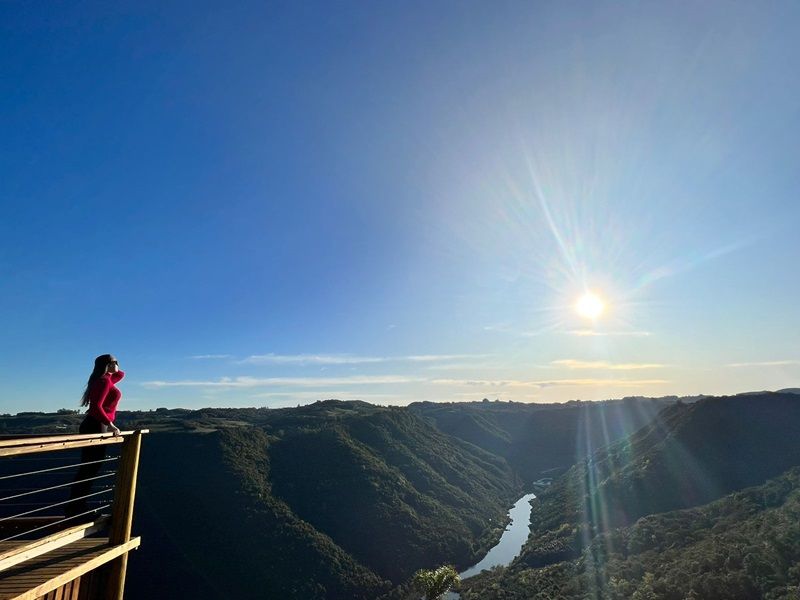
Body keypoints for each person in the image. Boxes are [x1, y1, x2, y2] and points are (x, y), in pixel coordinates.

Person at [66, 354, 124, 518]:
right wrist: (111, 425)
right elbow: (96, 407)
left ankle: (77, 507)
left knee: (90, 468)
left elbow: (120, 375)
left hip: (97, 425)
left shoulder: (105, 379)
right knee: (89, 468)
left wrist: (114, 368)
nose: (118, 364)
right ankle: (76, 508)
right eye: (114, 362)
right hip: (96, 425)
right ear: (106, 365)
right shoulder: (104, 381)